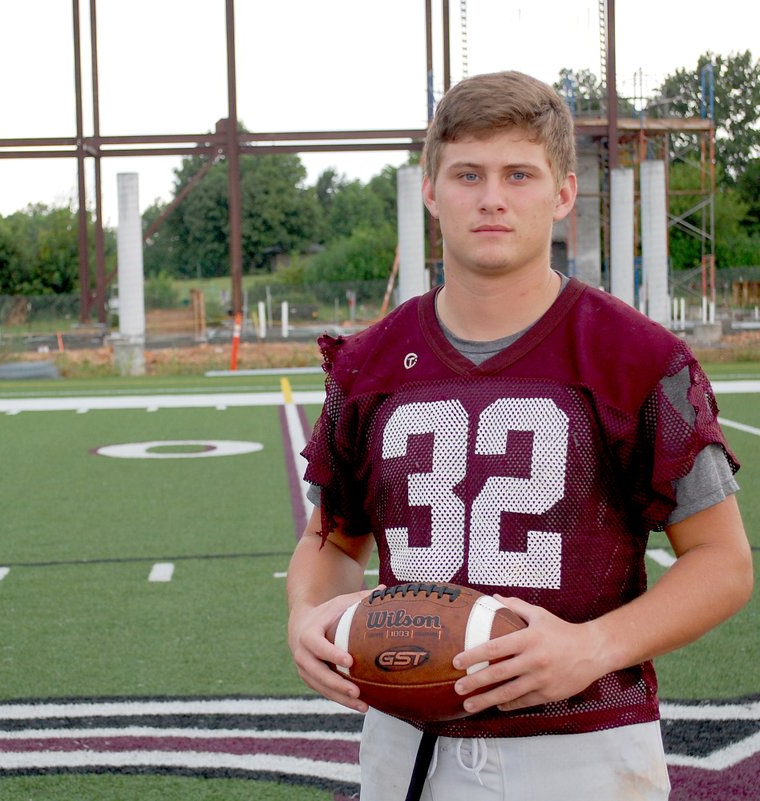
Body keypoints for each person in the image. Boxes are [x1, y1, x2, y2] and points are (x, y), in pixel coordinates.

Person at [286, 71, 753, 801]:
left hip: (585, 745)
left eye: (519, 174)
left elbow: (724, 563)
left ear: (563, 192)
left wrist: (592, 646)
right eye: (467, 173)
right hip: (409, 744)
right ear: (432, 192)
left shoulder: (635, 358)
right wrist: (305, 617)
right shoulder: (369, 364)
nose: (492, 197)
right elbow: (333, 543)